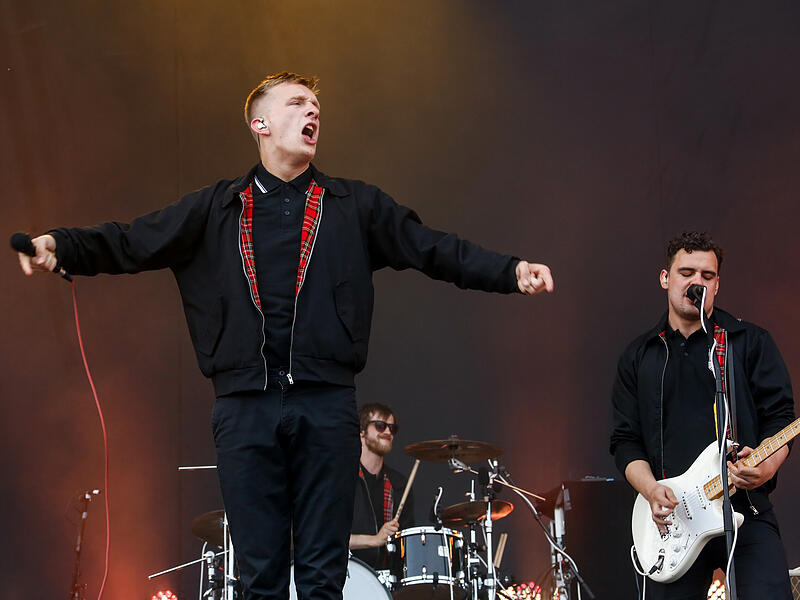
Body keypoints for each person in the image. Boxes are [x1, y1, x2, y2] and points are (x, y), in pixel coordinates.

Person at [17, 72, 554, 600]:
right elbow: (130, 241)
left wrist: (509, 271)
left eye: (317, 105)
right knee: (261, 577)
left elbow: (432, 247)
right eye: (298, 103)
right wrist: (60, 246)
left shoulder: (354, 206)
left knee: (323, 574)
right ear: (261, 123)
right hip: (244, 406)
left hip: (325, 403)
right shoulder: (215, 208)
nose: (313, 111)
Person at [609, 231, 795, 599]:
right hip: (672, 522)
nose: (697, 283)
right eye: (687, 272)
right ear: (666, 279)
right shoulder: (640, 356)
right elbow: (625, 441)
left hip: (746, 510)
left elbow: (782, 419)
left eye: (707, 276)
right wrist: (650, 490)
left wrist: (766, 468)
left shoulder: (748, 342)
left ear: (717, 284)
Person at [349, 403, 413, 570]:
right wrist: (374, 540)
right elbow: (326, 538)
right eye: (380, 426)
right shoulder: (342, 478)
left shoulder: (399, 484)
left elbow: (407, 543)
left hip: (386, 581)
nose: (387, 432)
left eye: (392, 428)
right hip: (348, 576)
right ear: (362, 431)